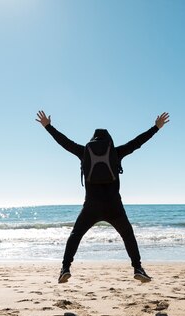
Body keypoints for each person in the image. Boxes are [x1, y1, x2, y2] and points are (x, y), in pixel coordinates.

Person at [35, 110, 170, 283]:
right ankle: (137, 268)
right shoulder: (115, 152)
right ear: (109, 141)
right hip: (114, 205)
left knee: (76, 235)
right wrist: (156, 128)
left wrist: (48, 126)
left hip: (91, 206)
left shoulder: (84, 152)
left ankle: (65, 268)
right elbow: (137, 142)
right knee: (128, 235)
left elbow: (65, 142)